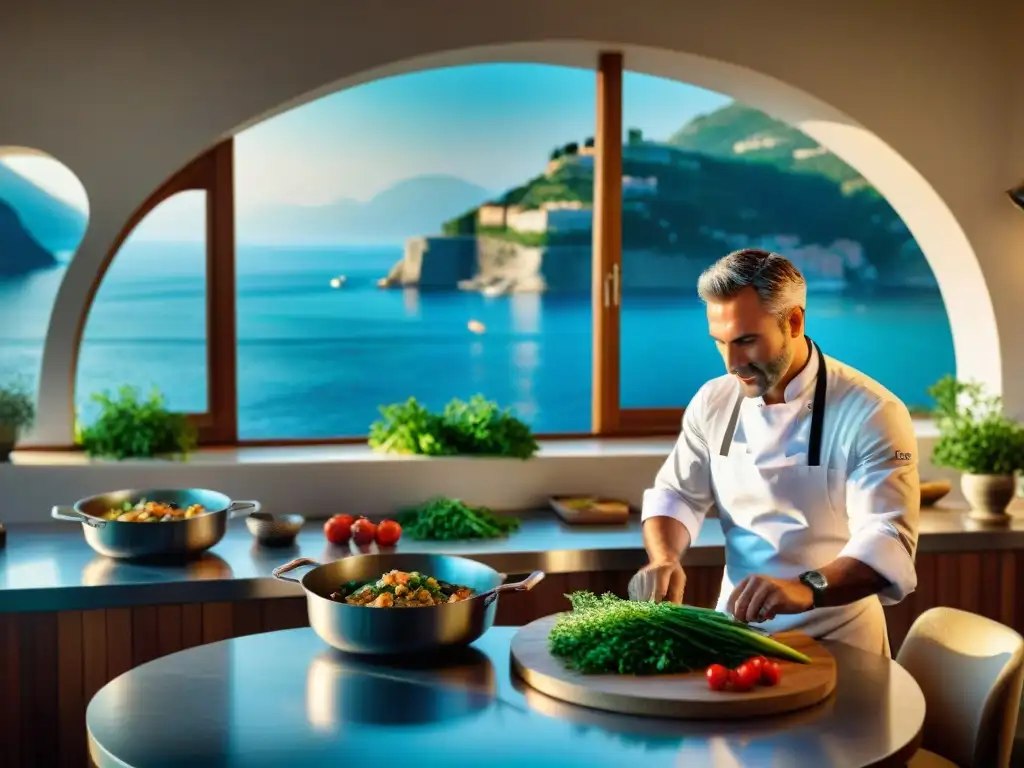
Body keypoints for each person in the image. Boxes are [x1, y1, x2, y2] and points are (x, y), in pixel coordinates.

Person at [635, 248, 920, 657]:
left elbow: (886, 540)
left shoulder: (872, 411)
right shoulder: (713, 400)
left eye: (747, 341)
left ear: (794, 321)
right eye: (720, 343)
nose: (732, 363)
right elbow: (677, 495)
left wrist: (805, 587)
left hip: (840, 645)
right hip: (735, 637)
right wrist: (663, 558)